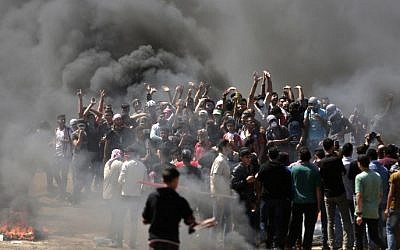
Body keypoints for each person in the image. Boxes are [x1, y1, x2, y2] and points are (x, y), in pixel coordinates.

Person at [142, 168, 199, 250]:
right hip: (172, 242)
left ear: (162, 180)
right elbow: (190, 221)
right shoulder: (180, 200)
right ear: (175, 181)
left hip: (155, 241)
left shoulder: (152, 197)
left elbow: (145, 219)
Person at [318, 138, 353, 250]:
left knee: (330, 221)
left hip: (328, 195)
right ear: (332, 146)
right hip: (340, 193)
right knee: (346, 220)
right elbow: (343, 173)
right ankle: (346, 245)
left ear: (324, 147)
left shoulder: (321, 162)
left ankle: (332, 245)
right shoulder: (337, 160)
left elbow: (321, 178)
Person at [256, 147, 292, 249]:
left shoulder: (264, 167)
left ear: (268, 155)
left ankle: (265, 243)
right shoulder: (284, 170)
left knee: (264, 222)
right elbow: (288, 186)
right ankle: (276, 244)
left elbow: (258, 182)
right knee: (277, 222)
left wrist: (258, 195)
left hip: (266, 199)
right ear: (277, 156)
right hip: (279, 200)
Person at [287, 147, 321, 250]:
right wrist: (319, 206)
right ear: (310, 157)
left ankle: (291, 245)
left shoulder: (294, 169)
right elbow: (317, 190)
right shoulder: (315, 169)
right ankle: (306, 247)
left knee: (295, 226)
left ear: (300, 157)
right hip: (311, 203)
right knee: (309, 228)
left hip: (297, 202)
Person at [354, 155, 385, 249]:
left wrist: (359, 214)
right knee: (374, 236)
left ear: (359, 163)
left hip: (362, 211)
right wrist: (375, 205)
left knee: (359, 237)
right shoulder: (377, 176)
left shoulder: (359, 177)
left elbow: (359, 196)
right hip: (373, 211)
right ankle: (384, 248)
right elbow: (380, 194)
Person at [118, 147, 147, 249]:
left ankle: (119, 242)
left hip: (125, 195)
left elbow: (120, 180)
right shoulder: (143, 166)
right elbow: (145, 184)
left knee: (120, 218)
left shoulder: (126, 164)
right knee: (134, 221)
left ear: (132, 154)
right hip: (136, 196)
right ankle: (132, 243)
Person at [231, 147, 258, 246]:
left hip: (248, 200)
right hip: (240, 201)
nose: (249, 159)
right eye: (247, 157)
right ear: (241, 158)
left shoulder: (250, 167)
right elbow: (233, 185)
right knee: (240, 224)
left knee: (249, 224)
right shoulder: (237, 169)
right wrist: (245, 181)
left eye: (250, 157)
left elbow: (251, 187)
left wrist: (253, 200)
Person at [209, 139, 233, 246]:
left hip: (224, 194)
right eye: (228, 146)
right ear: (223, 147)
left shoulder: (224, 159)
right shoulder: (220, 160)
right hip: (220, 195)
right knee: (217, 221)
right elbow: (215, 177)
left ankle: (223, 242)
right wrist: (217, 195)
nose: (230, 148)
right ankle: (212, 244)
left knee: (225, 219)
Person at [103, 149, 124, 247]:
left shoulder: (108, 162)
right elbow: (122, 179)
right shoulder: (119, 164)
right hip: (115, 195)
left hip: (107, 194)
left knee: (114, 216)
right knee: (117, 217)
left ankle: (110, 235)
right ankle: (114, 238)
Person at [54, 114, 73, 200]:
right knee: (55, 172)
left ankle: (62, 193)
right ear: (58, 121)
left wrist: (63, 141)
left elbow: (72, 140)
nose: (63, 121)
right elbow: (55, 139)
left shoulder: (68, 130)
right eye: (62, 120)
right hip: (57, 155)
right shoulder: (56, 130)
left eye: (64, 120)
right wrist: (52, 143)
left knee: (64, 175)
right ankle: (62, 190)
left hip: (66, 156)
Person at [385, 165, 400, 250]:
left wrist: (387, 208)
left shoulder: (395, 176)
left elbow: (391, 194)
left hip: (395, 206)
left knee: (390, 229)